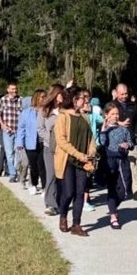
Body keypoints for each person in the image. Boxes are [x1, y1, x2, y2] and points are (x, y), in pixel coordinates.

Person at [54, 86, 98, 237]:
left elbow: (91, 137)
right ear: (74, 100)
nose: (85, 100)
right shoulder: (62, 117)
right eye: (82, 98)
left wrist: (92, 151)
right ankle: (63, 214)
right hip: (67, 160)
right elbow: (61, 141)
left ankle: (76, 224)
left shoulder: (84, 117)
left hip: (83, 161)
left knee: (80, 192)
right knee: (68, 193)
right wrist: (78, 154)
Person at [98, 102, 134, 229]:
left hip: (122, 161)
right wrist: (103, 128)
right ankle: (113, 215)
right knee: (112, 188)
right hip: (110, 161)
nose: (115, 116)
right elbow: (102, 143)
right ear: (106, 115)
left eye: (117, 113)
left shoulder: (123, 129)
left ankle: (113, 206)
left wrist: (127, 145)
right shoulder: (105, 130)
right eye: (112, 114)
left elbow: (131, 142)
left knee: (125, 190)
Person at [112, 83, 137, 199]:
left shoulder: (133, 106)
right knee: (117, 165)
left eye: (126, 94)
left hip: (131, 139)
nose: (124, 96)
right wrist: (119, 123)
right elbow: (106, 120)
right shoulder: (111, 106)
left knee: (133, 163)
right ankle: (119, 188)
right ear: (116, 93)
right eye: (122, 94)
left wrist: (136, 133)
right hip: (115, 140)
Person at [37, 84, 64, 216]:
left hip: (64, 148)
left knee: (63, 176)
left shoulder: (65, 109)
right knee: (51, 175)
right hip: (49, 147)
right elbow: (40, 129)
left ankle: (61, 200)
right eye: (61, 93)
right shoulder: (44, 110)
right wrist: (51, 138)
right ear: (55, 94)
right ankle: (50, 204)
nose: (63, 96)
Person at [15, 91, 45, 194]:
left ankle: (45, 188)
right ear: (36, 98)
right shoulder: (26, 113)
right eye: (42, 97)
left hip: (43, 142)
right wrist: (19, 143)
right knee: (33, 166)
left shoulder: (47, 111)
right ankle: (33, 184)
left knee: (42, 165)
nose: (44, 99)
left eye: (45, 97)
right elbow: (21, 129)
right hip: (30, 143)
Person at [0, 82, 21, 183]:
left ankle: (16, 171)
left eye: (15, 89)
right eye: (12, 89)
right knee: (9, 154)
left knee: (18, 154)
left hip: (18, 131)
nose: (14, 91)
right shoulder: (3, 100)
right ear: (8, 90)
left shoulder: (20, 100)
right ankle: (13, 174)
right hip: (7, 131)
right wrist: (2, 124)